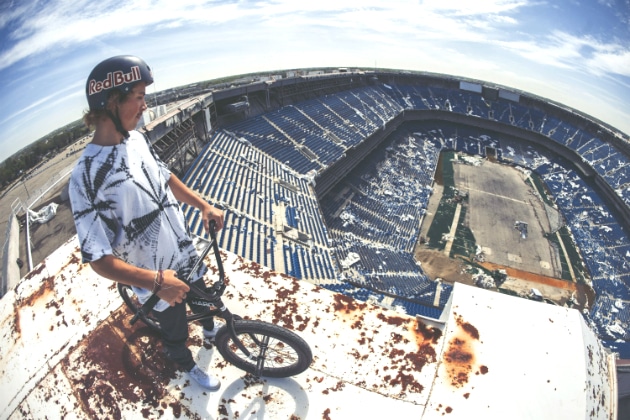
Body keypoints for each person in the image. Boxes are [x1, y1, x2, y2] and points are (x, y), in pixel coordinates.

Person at [69, 55, 224, 391]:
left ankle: (210, 327)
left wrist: (204, 205)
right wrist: (156, 282)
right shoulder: (84, 177)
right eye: (138, 96)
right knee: (175, 331)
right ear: (112, 101)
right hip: (154, 279)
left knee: (203, 295)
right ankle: (184, 362)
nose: (145, 105)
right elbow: (98, 258)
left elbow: (165, 177)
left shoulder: (136, 140)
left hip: (183, 252)